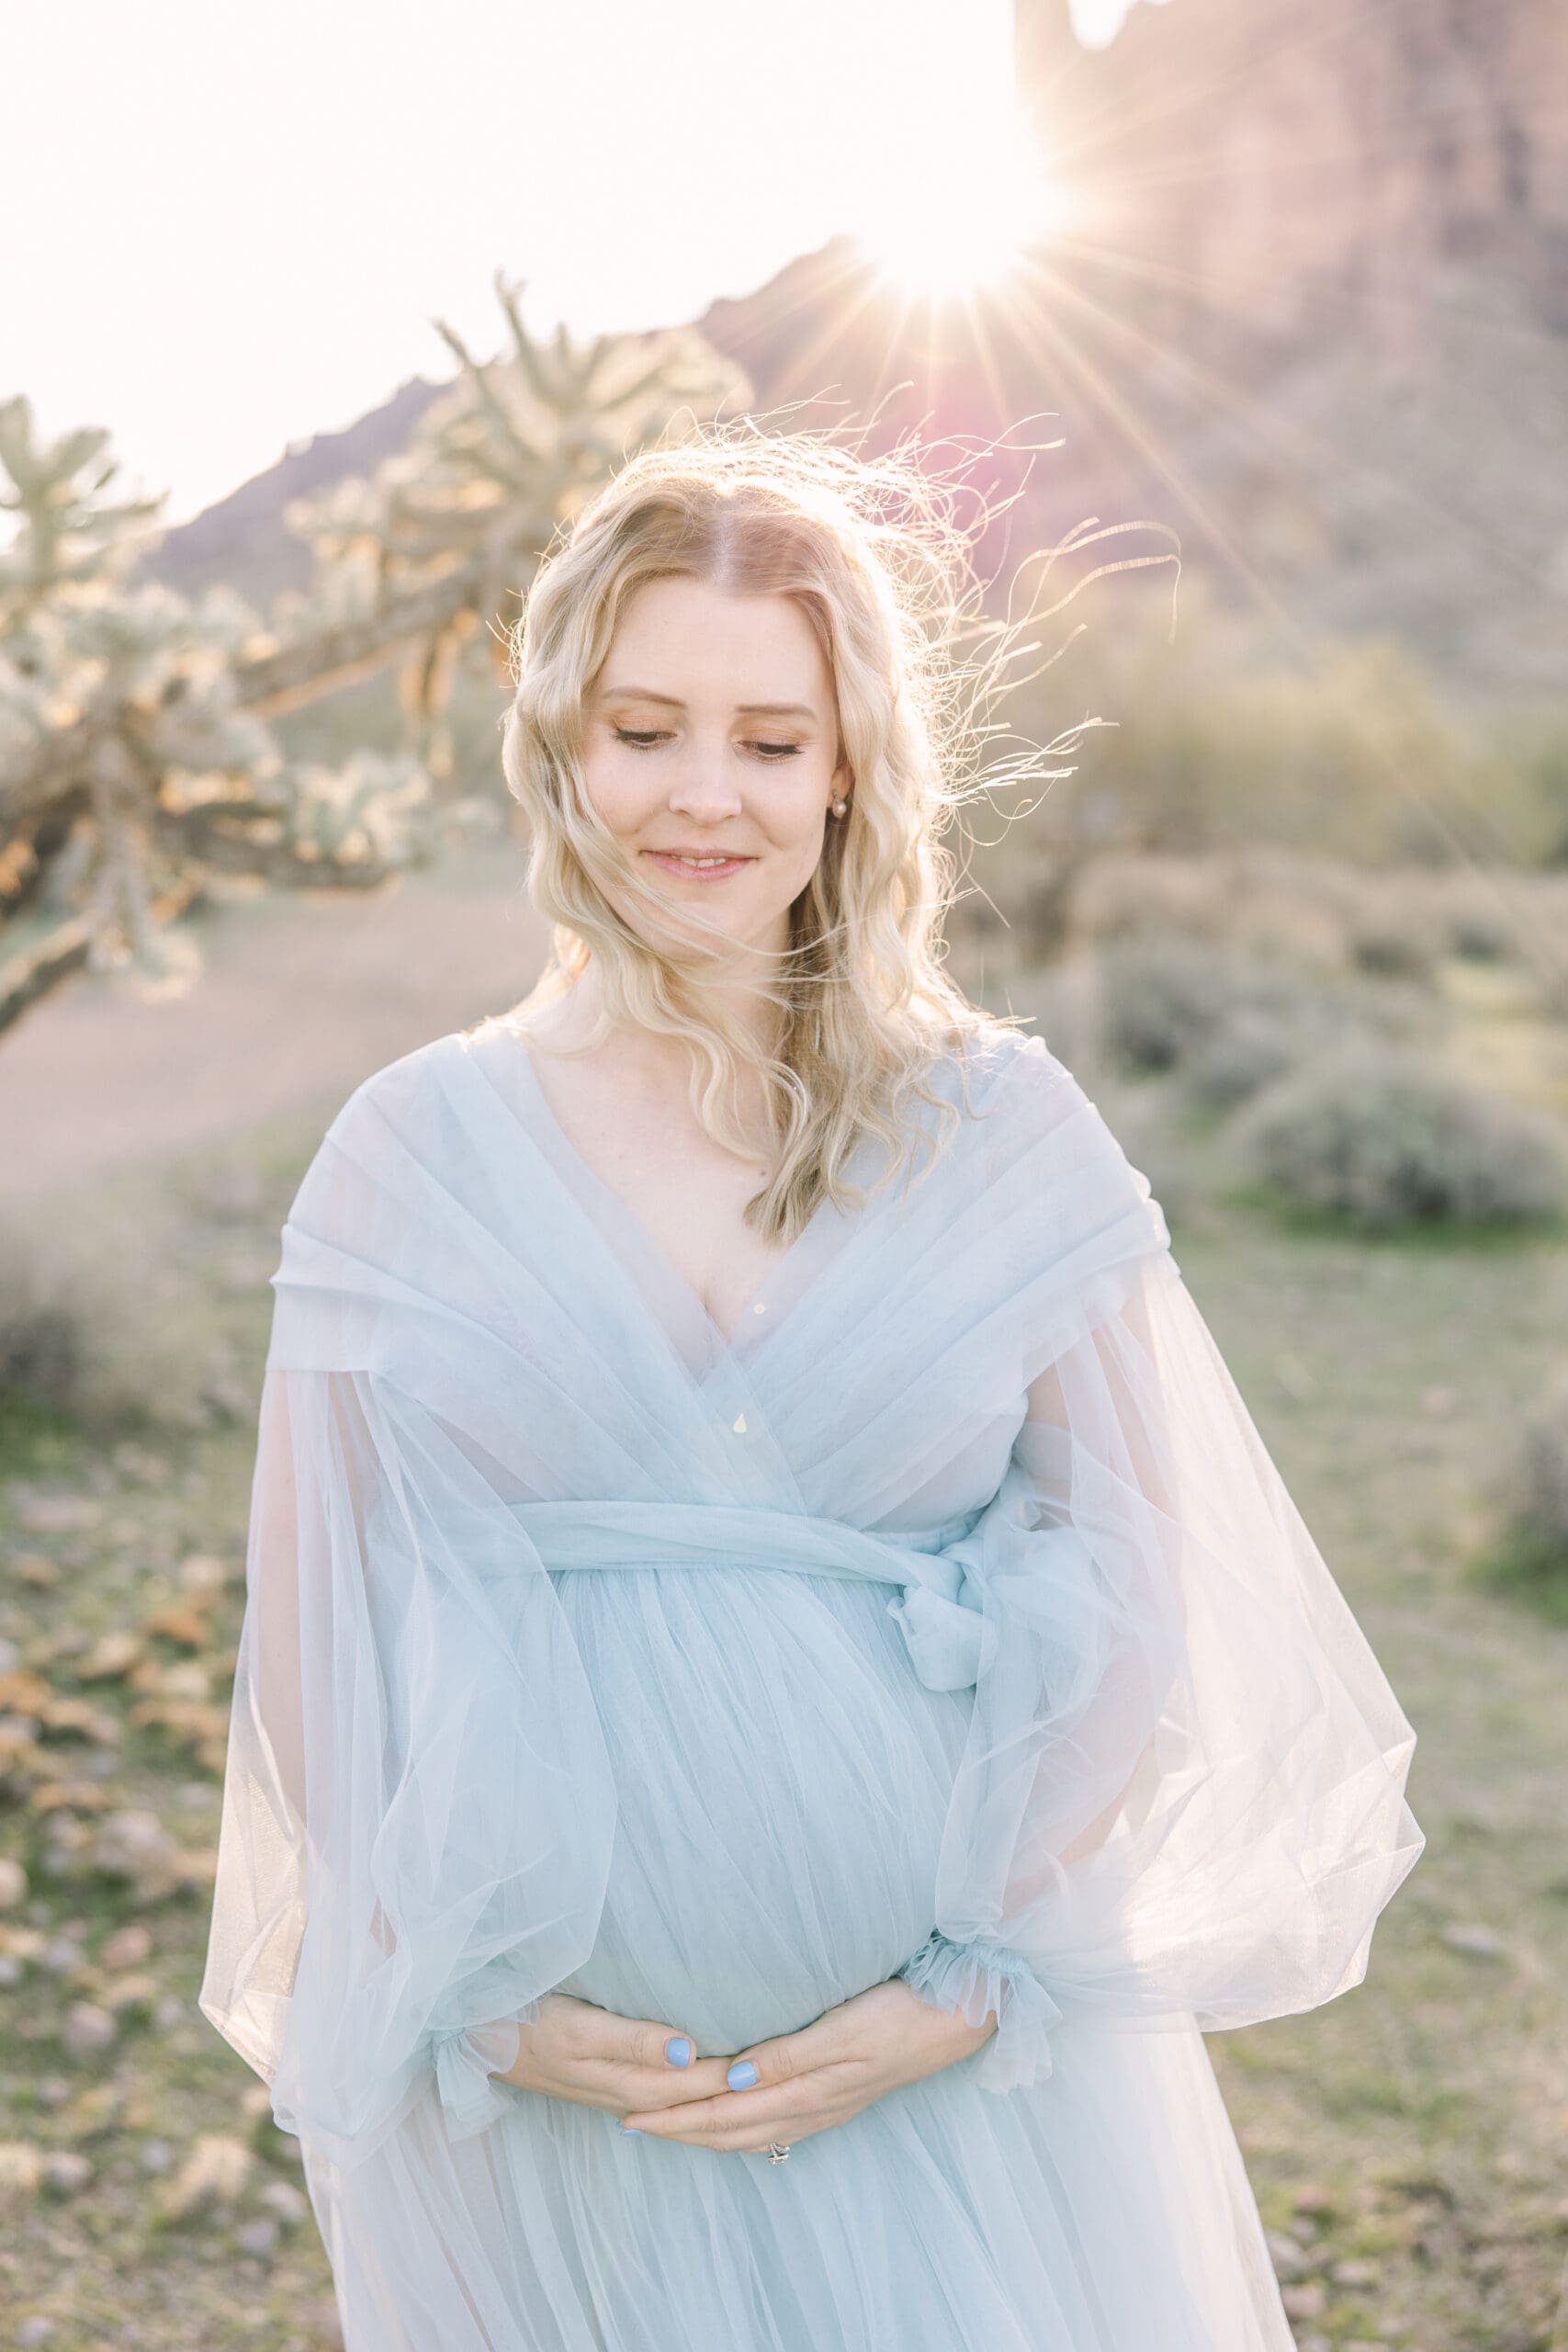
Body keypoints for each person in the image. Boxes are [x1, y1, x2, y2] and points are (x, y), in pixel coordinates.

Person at [199, 424, 1425, 2351]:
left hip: (960, 2095)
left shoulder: (999, 1126)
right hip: (554, 2121)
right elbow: (314, 1641)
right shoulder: (405, 1150)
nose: (704, 797)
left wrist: (961, 1981)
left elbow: (1141, 1580)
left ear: (848, 769)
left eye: (769, 741)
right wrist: (486, 2005)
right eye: (644, 728)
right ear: (555, 747)